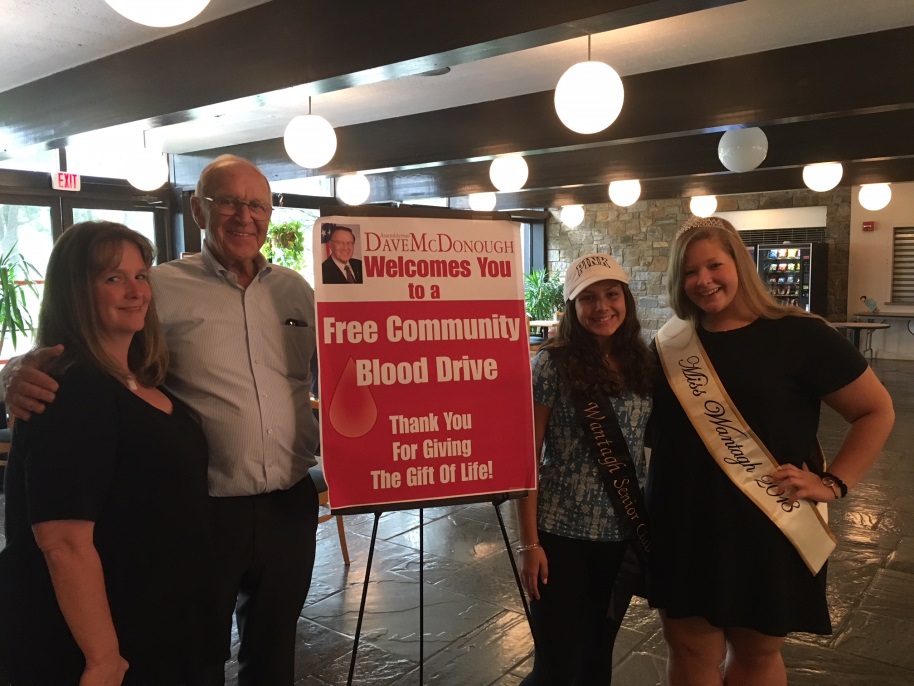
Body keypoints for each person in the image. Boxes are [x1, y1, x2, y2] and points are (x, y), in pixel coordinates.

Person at [4, 155, 320, 686]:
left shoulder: (296, 291)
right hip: (204, 508)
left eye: (258, 205)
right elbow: (80, 336)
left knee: (275, 648)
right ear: (199, 209)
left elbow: (337, 372)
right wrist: (15, 371)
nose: (245, 216)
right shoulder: (159, 287)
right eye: (230, 202)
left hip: (290, 501)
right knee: (193, 652)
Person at [646, 216, 895, 686]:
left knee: (757, 653)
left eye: (714, 265)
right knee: (687, 647)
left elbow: (876, 411)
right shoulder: (669, 346)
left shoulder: (801, 334)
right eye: (689, 271)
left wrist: (835, 483)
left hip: (767, 520)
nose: (703, 280)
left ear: (739, 263)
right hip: (683, 520)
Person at [0, 222, 211, 686]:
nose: (135, 290)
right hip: (102, 641)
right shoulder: (72, 389)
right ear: (76, 292)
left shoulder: (136, 376)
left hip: (153, 617)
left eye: (141, 275)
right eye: (113, 278)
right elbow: (63, 543)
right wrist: (104, 659)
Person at [516, 254, 654, 685]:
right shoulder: (551, 364)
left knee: (597, 656)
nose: (601, 307)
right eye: (587, 298)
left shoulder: (643, 361)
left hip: (620, 533)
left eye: (611, 294)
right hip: (559, 534)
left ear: (625, 298)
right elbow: (527, 459)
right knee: (556, 664)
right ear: (572, 307)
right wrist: (529, 544)